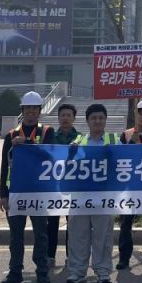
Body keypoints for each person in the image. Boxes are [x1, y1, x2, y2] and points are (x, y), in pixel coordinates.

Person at [0, 91, 56, 283]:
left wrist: (28, 142)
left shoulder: (47, 132)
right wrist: (3, 195)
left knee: (41, 233)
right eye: (28, 108)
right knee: (16, 235)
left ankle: (42, 271)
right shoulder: (11, 135)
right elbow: (4, 167)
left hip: (39, 192)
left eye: (34, 108)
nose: (31, 111)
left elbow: (49, 153)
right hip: (16, 192)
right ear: (22, 110)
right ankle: (15, 271)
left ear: (39, 111)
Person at [66, 103, 119, 283]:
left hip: (104, 197)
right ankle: (77, 271)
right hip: (80, 196)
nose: (97, 121)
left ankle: (103, 271)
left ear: (105, 120)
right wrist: (70, 154)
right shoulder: (77, 142)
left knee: (103, 236)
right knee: (77, 236)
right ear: (87, 121)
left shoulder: (114, 140)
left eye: (101, 118)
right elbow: (67, 166)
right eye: (94, 118)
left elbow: (125, 164)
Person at [117, 97, 142, 270]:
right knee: (126, 223)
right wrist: (132, 141)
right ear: (136, 115)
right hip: (130, 187)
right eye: (141, 113)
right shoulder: (126, 134)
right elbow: (121, 157)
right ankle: (124, 258)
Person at [45, 102, 80, 273]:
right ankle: (49, 256)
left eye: (68, 115)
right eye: (62, 115)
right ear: (58, 118)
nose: (65, 118)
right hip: (54, 186)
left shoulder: (80, 138)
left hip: (72, 186)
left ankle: (70, 256)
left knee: (72, 223)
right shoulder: (50, 137)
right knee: (51, 222)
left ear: (74, 118)